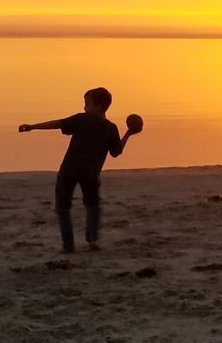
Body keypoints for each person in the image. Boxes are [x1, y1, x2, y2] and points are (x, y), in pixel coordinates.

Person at [18, 87, 141, 253]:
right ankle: (92, 240)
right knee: (92, 205)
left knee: (62, 206)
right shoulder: (110, 128)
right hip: (90, 173)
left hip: (69, 169)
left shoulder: (82, 119)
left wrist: (33, 126)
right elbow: (117, 152)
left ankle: (68, 245)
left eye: (87, 104)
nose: (84, 107)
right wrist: (128, 133)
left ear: (98, 105)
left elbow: (58, 123)